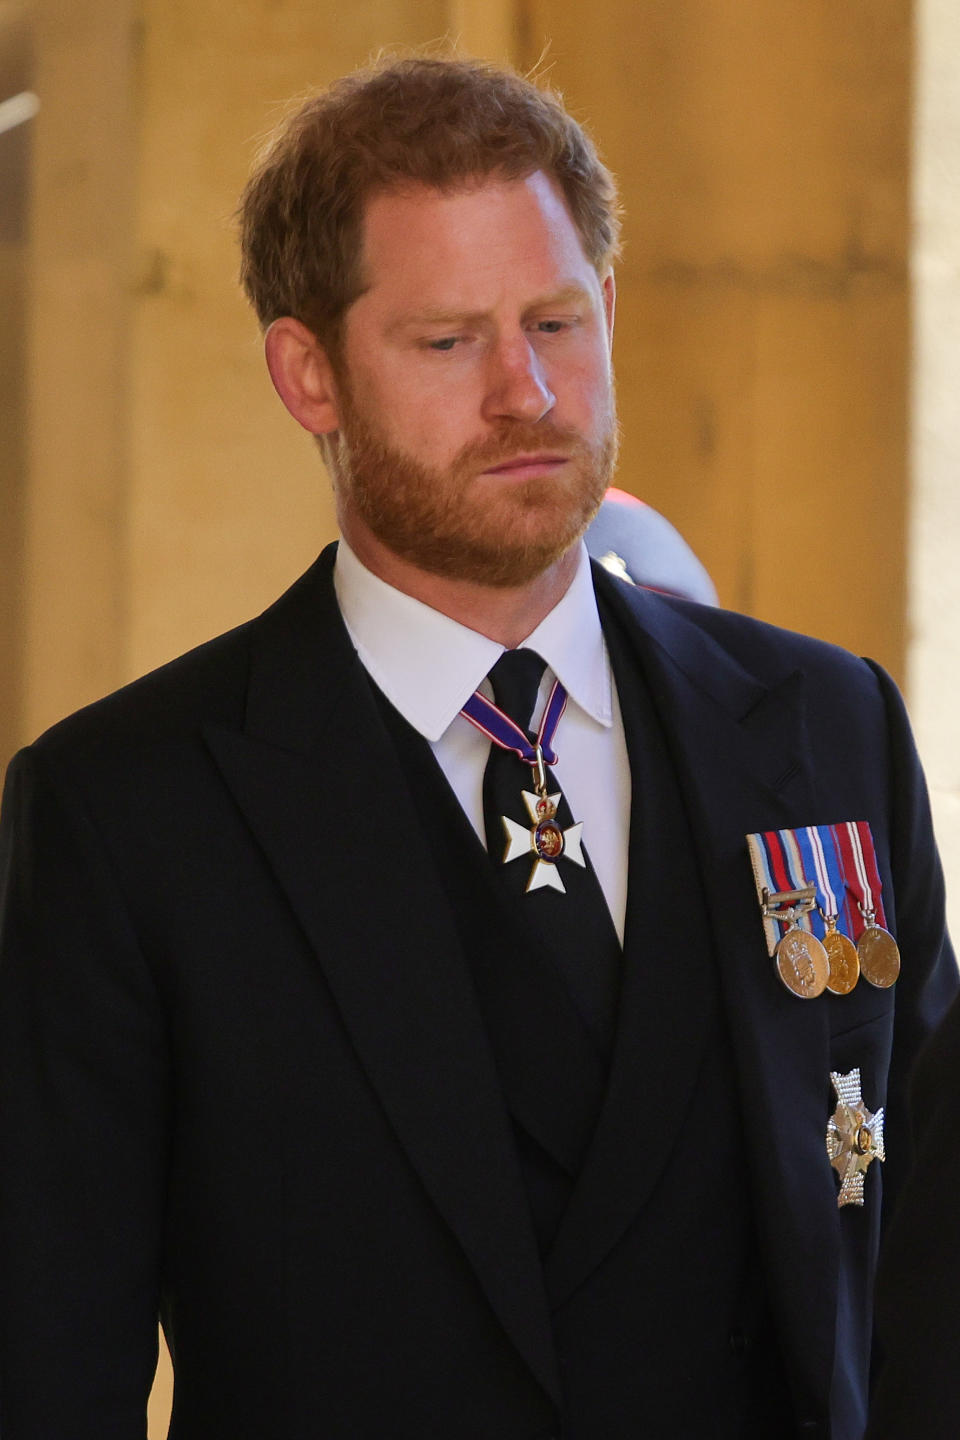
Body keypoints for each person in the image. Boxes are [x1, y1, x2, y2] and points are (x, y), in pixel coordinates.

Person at [0, 53, 954, 1440]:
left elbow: (931, 1265)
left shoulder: (826, 727)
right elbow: (46, 1371)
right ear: (307, 374)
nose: (527, 391)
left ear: (610, 310)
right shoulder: (127, 814)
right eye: (448, 341)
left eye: (558, 323)